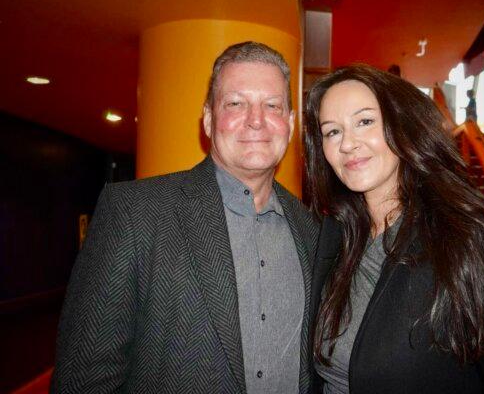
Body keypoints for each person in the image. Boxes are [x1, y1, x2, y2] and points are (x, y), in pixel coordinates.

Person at [51, 42, 319, 394]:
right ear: (208, 119)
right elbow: (83, 380)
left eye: (272, 105)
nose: (256, 119)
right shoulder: (133, 212)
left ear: (289, 122)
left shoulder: (312, 230)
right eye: (236, 103)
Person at [304, 65, 484, 393]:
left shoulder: (462, 236)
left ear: (402, 125)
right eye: (332, 131)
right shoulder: (335, 237)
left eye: (365, 121)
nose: (348, 144)